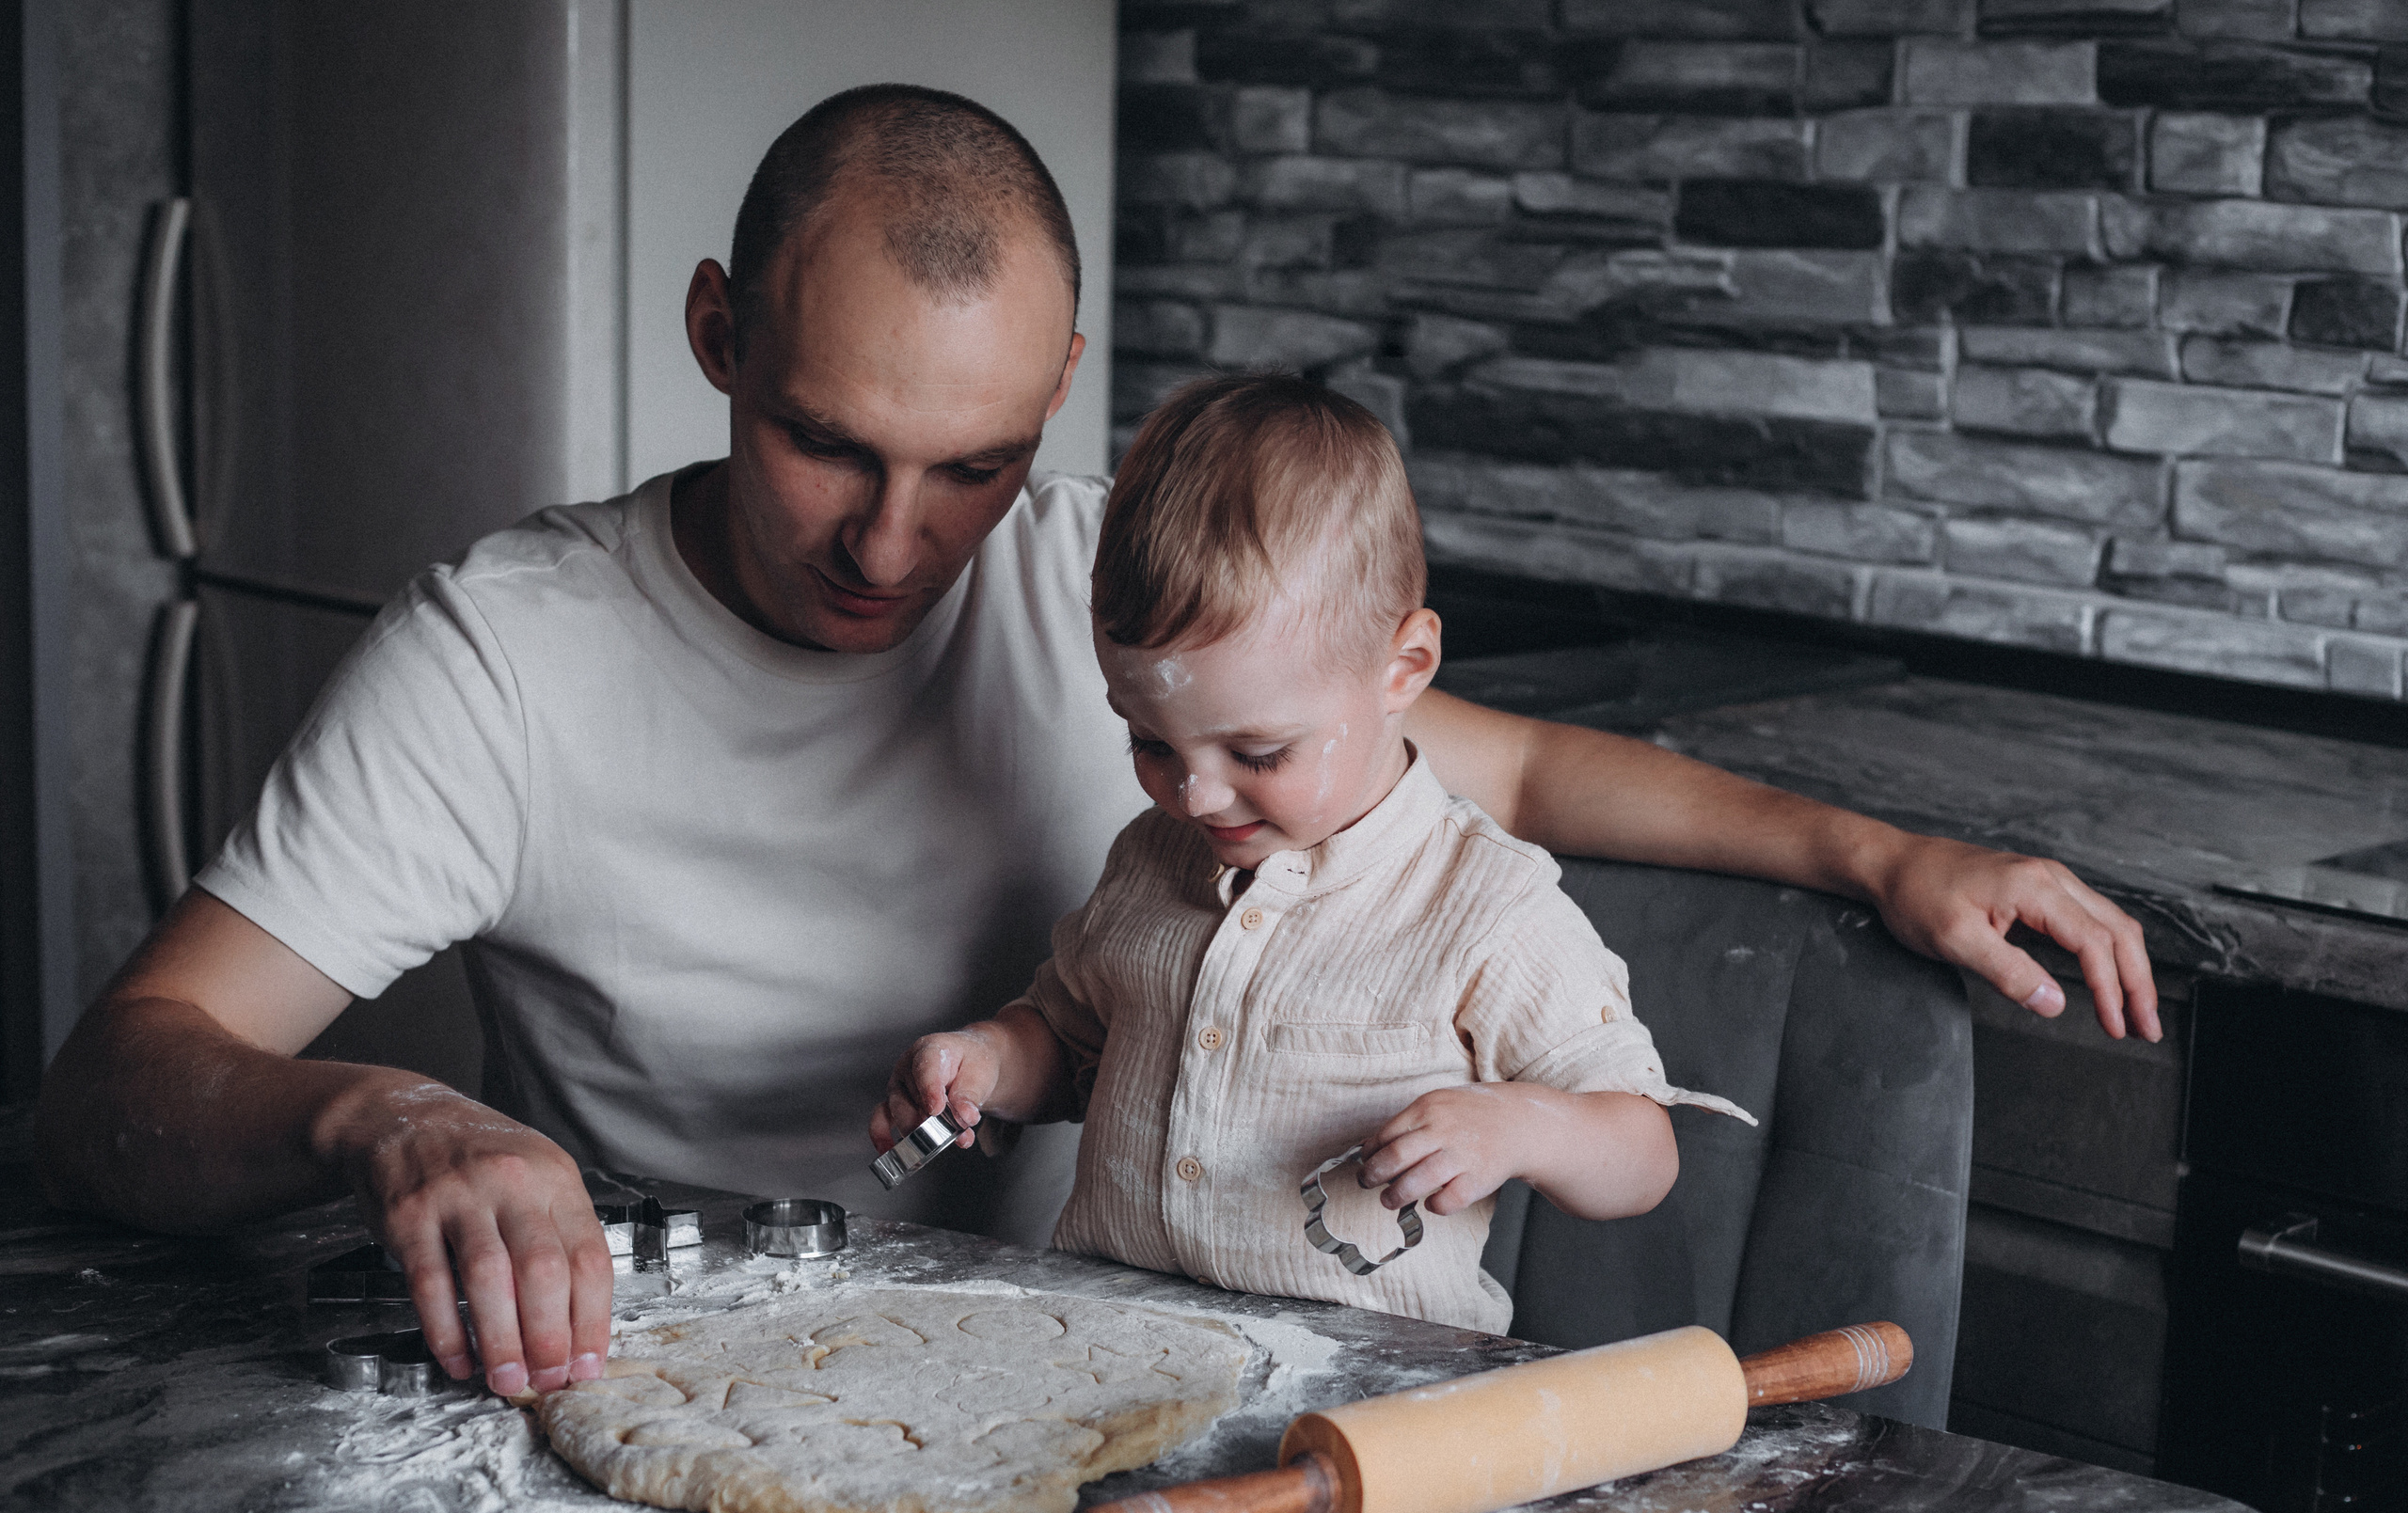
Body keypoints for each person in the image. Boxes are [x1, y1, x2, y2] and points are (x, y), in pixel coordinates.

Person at [35, 85, 2157, 1403]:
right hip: (695, 1380)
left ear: (1059, 385)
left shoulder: (1112, 593)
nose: (891, 543)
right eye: (821, 443)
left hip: (1119, 1378)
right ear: (716, 338)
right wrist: (383, 1115)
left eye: (968, 463)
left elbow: (1492, 773)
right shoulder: (504, 659)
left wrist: (1875, 854)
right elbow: (119, 1085)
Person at [874, 373, 1758, 1333]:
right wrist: (992, 1061)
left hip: (1369, 1397)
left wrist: (1525, 1127)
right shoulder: (1149, 861)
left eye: (1258, 754)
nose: (1195, 794)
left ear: (1404, 670)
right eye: (1150, 742)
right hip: (1110, 1343)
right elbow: (1077, 1043)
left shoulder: (1484, 907)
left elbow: (1643, 1151)